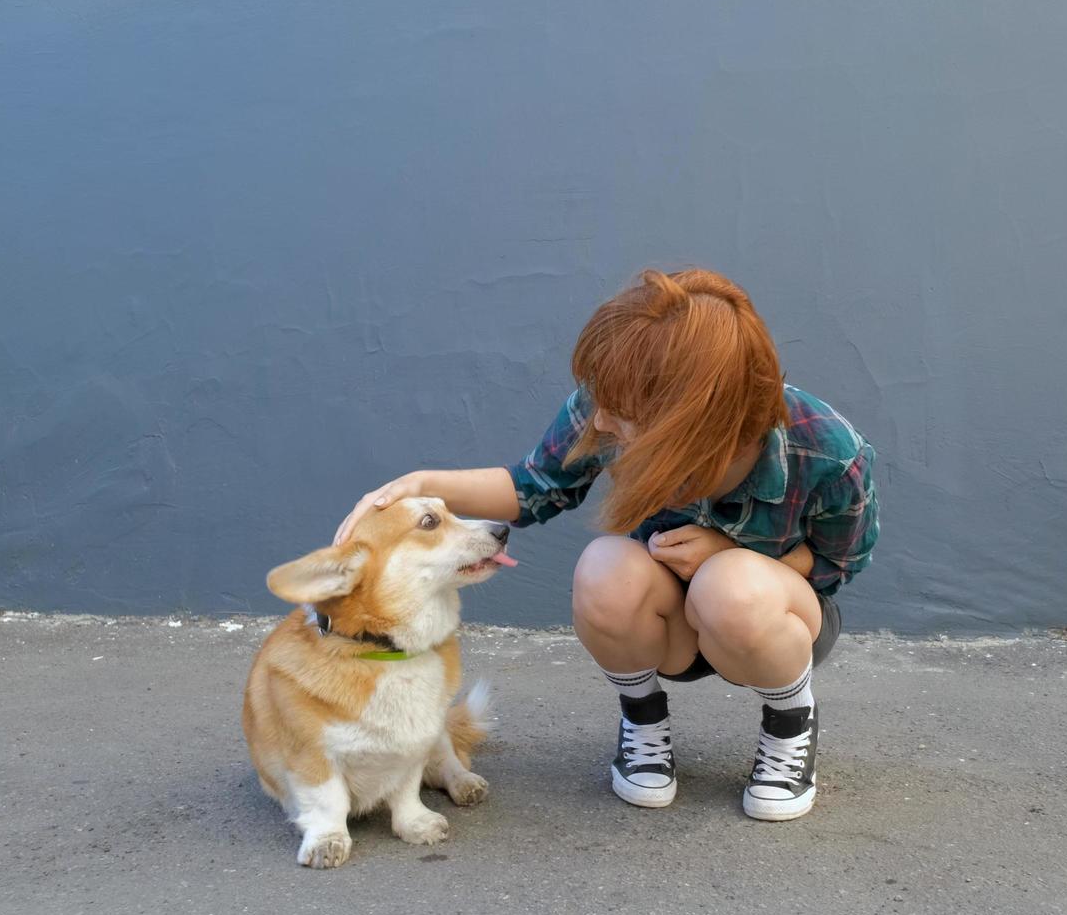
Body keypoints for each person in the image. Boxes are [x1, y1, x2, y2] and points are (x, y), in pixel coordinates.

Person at [334, 268, 879, 821]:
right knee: (604, 568)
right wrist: (421, 485)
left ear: (690, 421)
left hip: (772, 625)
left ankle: (790, 725)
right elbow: (533, 487)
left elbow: (838, 562)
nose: (599, 418)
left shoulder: (826, 450)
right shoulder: (615, 403)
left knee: (732, 585)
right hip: (670, 627)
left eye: (621, 413)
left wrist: (727, 556)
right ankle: (642, 722)